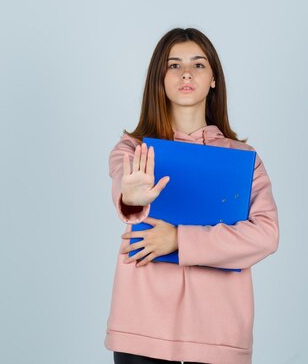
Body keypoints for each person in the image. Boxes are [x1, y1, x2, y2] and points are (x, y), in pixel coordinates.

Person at [105, 27, 279, 364]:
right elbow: (124, 188)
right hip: (142, 325)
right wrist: (132, 196)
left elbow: (266, 235)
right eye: (174, 65)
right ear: (160, 78)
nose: (186, 73)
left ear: (214, 78)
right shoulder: (133, 149)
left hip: (219, 330)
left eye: (198, 65)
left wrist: (180, 240)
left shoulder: (243, 159)